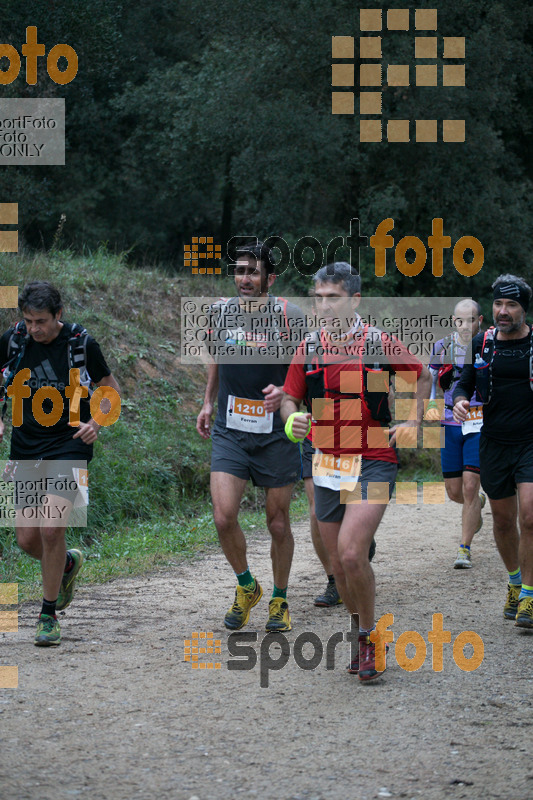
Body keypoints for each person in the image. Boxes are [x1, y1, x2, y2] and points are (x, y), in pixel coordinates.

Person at [281, 262, 431, 681]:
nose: (324, 306)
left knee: (351, 552)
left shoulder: (378, 342)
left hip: (374, 458)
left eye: (333, 298)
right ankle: (360, 629)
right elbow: (290, 399)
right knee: (338, 563)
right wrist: (291, 419)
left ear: (355, 300)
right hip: (327, 462)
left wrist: (414, 420)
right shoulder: (308, 346)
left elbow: (423, 377)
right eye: (319, 298)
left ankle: (369, 638)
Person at [0, 281, 120, 647]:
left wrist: (96, 423)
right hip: (24, 447)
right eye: (28, 320)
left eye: (41, 321)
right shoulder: (13, 339)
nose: (34, 329)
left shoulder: (81, 343)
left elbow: (110, 389)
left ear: (59, 315)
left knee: (52, 530)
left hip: (69, 447)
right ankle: (66, 564)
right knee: (25, 539)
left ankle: (48, 614)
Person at [196, 242, 305, 632]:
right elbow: (215, 358)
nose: (244, 279)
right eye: (240, 271)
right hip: (230, 429)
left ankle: (279, 597)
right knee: (224, 517)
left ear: (269, 279)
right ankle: (247, 586)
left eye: (253, 272)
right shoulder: (220, 313)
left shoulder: (290, 317)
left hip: (276, 433)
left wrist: (289, 397)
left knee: (277, 523)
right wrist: (208, 402)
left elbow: (306, 370)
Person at [453, 274, 533, 628]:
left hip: (531, 442)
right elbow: (463, 382)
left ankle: (530, 596)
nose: (503, 311)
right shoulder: (481, 343)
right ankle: (515, 582)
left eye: (511, 305)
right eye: (499, 304)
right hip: (494, 443)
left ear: (524, 310)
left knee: (529, 517)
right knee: (502, 521)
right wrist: (457, 400)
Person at [426, 299, 486, 569]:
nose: (465, 325)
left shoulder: (488, 345)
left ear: (480, 320)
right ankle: (476, 506)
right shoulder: (442, 347)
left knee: (471, 485)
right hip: (449, 422)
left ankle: (464, 548)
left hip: (479, 421)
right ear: (453, 321)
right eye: (460, 320)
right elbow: (429, 379)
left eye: (471, 320)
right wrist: (429, 406)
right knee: (454, 491)